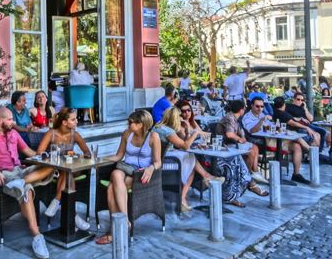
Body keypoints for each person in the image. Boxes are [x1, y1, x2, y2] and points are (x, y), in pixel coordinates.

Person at [0, 106, 55, 259]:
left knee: (51, 167)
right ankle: (36, 235)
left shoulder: (13, 133)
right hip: (5, 174)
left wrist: (45, 157)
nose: (13, 122)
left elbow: (30, 153)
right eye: (10, 119)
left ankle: (21, 182)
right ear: (0, 121)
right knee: (27, 190)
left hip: (20, 171)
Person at [95, 110, 161, 245]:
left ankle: (115, 230)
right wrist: (99, 160)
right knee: (115, 174)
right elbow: (118, 156)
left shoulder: (153, 137)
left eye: (131, 122)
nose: (128, 124)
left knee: (111, 188)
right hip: (125, 169)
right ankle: (124, 221)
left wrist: (150, 168)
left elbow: (158, 162)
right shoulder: (127, 134)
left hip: (140, 173)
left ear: (141, 124)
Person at [159, 103, 223, 212]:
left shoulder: (161, 127)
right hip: (164, 162)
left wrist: (189, 130)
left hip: (164, 157)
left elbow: (184, 144)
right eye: (179, 116)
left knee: (190, 158)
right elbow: (185, 146)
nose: (181, 118)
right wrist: (194, 133)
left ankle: (205, 178)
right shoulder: (168, 131)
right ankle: (183, 197)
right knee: (190, 162)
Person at [36, 108, 90, 230]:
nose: (77, 121)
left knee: (68, 170)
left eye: (76, 119)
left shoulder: (75, 135)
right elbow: (39, 153)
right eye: (73, 119)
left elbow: (87, 152)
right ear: (64, 122)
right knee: (66, 173)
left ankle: (56, 201)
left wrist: (78, 156)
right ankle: (74, 217)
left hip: (74, 169)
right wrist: (51, 156)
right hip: (58, 170)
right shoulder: (51, 134)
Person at [215, 100, 269, 188]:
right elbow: (229, 134)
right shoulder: (230, 118)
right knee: (251, 152)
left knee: (255, 147)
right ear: (241, 110)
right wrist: (239, 138)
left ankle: (254, 173)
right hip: (225, 144)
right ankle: (246, 176)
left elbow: (240, 131)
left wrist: (242, 137)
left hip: (232, 143)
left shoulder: (235, 118)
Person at [271, 97, 315, 184]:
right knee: (299, 136)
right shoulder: (280, 113)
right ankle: (311, 152)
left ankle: (296, 174)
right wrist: (306, 127)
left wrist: (300, 119)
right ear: (284, 105)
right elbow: (292, 123)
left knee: (297, 146)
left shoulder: (280, 112)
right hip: (276, 141)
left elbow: (293, 120)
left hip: (284, 139)